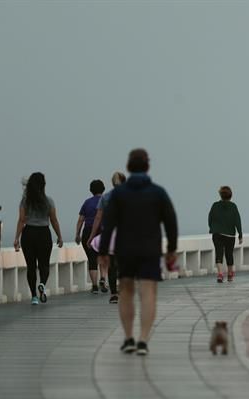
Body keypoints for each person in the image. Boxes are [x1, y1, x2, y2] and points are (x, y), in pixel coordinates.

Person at [98, 149, 178, 356]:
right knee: (148, 292)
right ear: (148, 166)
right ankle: (143, 339)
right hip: (150, 249)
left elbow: (109, 224)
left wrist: (104, 251)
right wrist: (171, 250)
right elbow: (171, 222)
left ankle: (128, 338)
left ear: (129, 167)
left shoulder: (118, 194)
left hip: (125, 249)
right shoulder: (158, 192)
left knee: (126, 291)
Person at [13, 172, 64, 305]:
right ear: (43, 185)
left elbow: (21, 220)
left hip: (28, 234)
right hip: (43, 234)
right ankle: (42, 284)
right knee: (44, 265)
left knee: (31, 266)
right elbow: (54, 220)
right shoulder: (49, 201)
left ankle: (34, 297)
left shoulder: (25, 201)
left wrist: (16, 238)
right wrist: (59, 236)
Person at [88, 172, 126, 304]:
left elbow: (98, 218)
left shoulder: (106, 197)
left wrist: (91, 236)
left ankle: (114, 294)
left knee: (112, 266)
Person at [75, 179, 106, 294]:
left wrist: (77, 234)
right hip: (103, 232)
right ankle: (103, 279)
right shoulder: (106, 201)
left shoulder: (87, 203)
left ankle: (94, 286)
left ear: (91, 190)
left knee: (92, 259)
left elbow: (80, 220)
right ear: (103, 189)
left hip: (88, 232)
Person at [208, 186, 242, 283]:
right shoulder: (233, 206)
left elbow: (210, 218)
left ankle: (220, 274)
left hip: (217, 233)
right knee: (229, 253)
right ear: (230, 196)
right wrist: (240, 234)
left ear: (221, 195)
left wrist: (212, 228)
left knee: (219, 252)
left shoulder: (215, 205)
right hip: (230, 235)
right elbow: (237, 221)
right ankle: (230, 274)